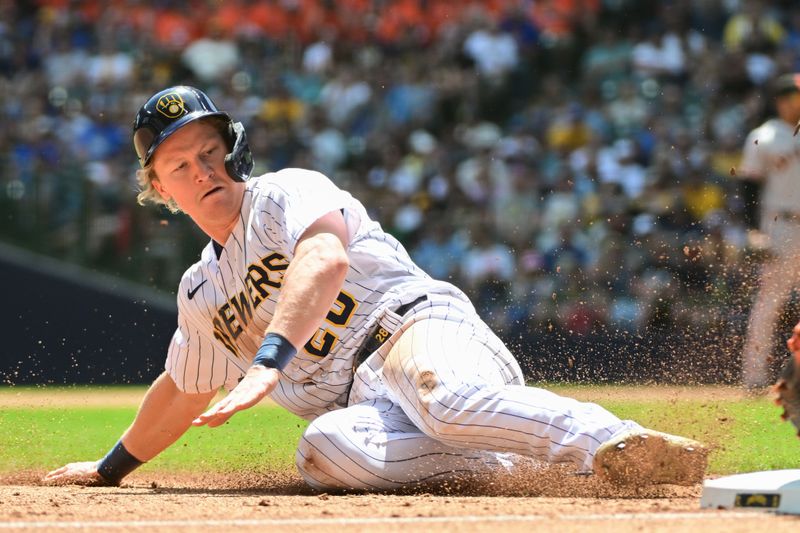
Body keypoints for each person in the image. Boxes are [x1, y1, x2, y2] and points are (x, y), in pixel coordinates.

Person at [45, 86, 707, 490]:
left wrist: (269, 361)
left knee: (441, 397)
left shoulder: (284, 193)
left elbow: (324, 259)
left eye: (210, 151)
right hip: (365, 405)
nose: (203, 170)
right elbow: (185, 386)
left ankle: (620, 444)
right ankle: (518, 461)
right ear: (159, 189)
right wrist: (108, 468)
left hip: (416, 332)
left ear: (232, 149)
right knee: (324, 451)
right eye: (180, 164)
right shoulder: (202, 291)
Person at [740, 73, 800, 388]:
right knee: (769, 304)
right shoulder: (763, 136)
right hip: (781, 226)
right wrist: (753, 230)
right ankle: (754, 378)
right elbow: (748, 188)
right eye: (795, 95)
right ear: (782, 100)